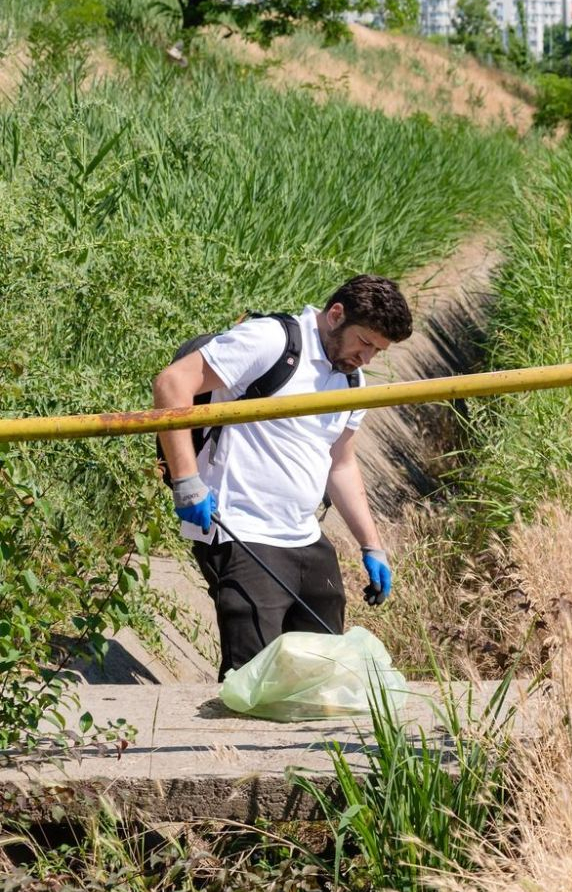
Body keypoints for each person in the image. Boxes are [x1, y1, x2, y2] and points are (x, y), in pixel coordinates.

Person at [153, 276, 413, 679]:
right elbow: (172, 383)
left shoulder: (351, 378)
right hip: (240, 530)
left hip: (305, 538)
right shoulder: (271, 341)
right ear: (336, 314)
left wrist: (371, 545)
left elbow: (341, 464)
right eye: (364, 342)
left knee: (319, 676)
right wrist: (187, 481)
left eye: (377, 350)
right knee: (252, 678)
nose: (367, 358)